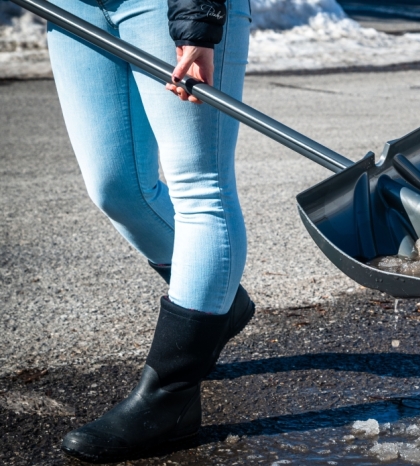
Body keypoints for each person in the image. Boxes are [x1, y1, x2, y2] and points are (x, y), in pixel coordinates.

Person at [45, 0, 254, 461]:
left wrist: (198, 23)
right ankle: (218, 303)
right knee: (117, 189)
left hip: (167, 8)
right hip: (71, 6)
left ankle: (169, 400)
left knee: (201, 189)